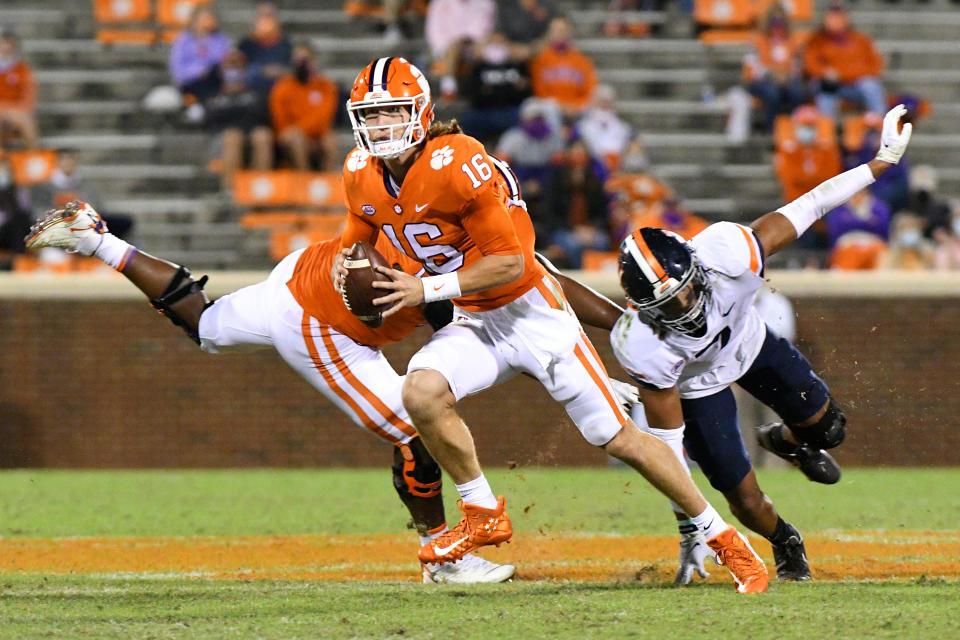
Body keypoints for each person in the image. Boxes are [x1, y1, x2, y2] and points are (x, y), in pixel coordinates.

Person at [334, 56, 769, 593]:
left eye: (393, 112)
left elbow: (512, 261)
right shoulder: (359, 171)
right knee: (420, 393)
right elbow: (360, 233)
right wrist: (347, 266)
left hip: (531, 312)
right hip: (474, 319)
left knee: (618, 438)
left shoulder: (457, 160)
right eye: (371, 115)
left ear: (420, 113)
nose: (381, 127)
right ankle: (482, 511)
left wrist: (424, 288)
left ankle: (723, 537)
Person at [23, 201, 516, 585]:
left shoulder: (413, 197)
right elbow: (445, 307)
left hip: (299, 271)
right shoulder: (451, 236)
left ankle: (98, 240)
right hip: (321, 321)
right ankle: (442, 558)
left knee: (206, 324)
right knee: (414, 431)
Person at [608, 104, 913, 582]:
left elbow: (810, 204)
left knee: (829, 430)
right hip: (698, 387)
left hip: (749, 345)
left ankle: (787, 442)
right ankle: (785, 539)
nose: (683, 306)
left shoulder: (729, 251)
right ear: (643, 308)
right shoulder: (642, 344)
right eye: (666, 305)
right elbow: (666, 452)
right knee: (745, 499)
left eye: (685, 288)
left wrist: (881, 163)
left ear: (695, 264)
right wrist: (692, 529)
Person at [202, 50, 274, 192]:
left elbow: (263, 116)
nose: (234, 69)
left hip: (252, 138)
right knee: (233, 136)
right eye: (230, 65)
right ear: (222, 70)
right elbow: (210, 120)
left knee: (262, 135)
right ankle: (230, 192)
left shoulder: (257, 93)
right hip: (223, 142)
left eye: (238, 65)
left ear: (245, 69)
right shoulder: (214, 97)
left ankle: (260, 191)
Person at [803, 1, 885, 118]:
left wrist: (845, 74)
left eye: (839, 13)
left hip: (856, 85)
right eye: (832, 13)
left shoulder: (861, 40)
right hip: (832, 85)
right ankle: (827, 128)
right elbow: (810, 64)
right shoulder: (817, 40)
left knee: (870, 86)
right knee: (824, 88)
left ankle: (881, 124)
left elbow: (876, 66)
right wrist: (824, 72)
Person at [269, 43, 339, 171]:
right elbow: (280, 121)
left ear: (314, 62)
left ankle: (330, 184)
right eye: (297, 60)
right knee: (296, 140)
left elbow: (323, 118)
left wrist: (301, 130)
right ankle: (304, 180)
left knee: (330, 141)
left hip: (316, 135)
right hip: (290, 137)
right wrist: (298, 133)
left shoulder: (326, 86)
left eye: (304, 60)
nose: (300, 64)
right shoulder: (282, 87)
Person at [742, 3, 805, 133]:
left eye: (780, 21)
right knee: (772, 94)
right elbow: (751, 68)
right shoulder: (757, 40)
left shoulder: (793, 41)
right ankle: (770, 131)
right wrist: (772, 74)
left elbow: (797, 66)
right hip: (760, 81)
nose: (778, 25)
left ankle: (793, 132)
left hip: (786, 80)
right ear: (768, 21)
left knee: (796, 92)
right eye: (774, 21)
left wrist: (786, 76)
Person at [528, 15, 597, 120]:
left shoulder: (582, 60)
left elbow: (590, 90)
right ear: (549, 33)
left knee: (596, 108)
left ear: (570, 32)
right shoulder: (540, 58)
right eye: (556, 30)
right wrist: (561, 106)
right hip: (550, 110)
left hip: (577, 110)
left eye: (564, 30)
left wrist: (575, 106)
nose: (560, 34)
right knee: (536, 106)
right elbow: (539, 92)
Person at [168, 5, 232, 104]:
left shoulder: (220, 39)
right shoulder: (184, 40)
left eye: (211, 18)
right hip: (192, 82)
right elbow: (177, 68)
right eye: (206, 18)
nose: (210, 21)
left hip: (215, 79)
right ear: (196, 20)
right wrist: (198, 72)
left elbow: (225, 60)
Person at [237, 2, 293, 99]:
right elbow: (238, 72)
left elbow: (292, 70)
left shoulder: (286, 44)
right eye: (262, 16)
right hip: (252, 94)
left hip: (281, 94)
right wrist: (261, 71)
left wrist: (280, 71)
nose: (266, 20)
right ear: (255, 19)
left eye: (270, 16)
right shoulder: (246, 44)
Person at [0, 28, 38, 148]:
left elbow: (29, 96)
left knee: (27, 122)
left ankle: (33, 158)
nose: (6, 47)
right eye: (3, 43)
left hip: (17, 113)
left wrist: (13, 111)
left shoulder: (23, 69)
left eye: (9, 43)